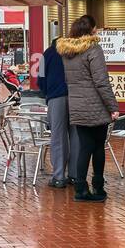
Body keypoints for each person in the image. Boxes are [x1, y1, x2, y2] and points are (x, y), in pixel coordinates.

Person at [57, 14, 119, 203]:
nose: (97, 30)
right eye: (96, 28)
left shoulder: (67, 52)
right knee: (98, 147)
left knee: (84, 147)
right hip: (95, 105)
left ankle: (80, 189)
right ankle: (98, 187)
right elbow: (101, 82)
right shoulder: (94, 49)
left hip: (76, 105)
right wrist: (113, 106)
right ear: (91, 30)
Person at [40, 38, 73, 187]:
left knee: (58, 136)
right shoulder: (72, 53)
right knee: (76, 136)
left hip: (56, 97)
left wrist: (47, 92)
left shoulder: (47, 54)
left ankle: (59, 176)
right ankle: (75, 175)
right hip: (75, 97)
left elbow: (40, 79)